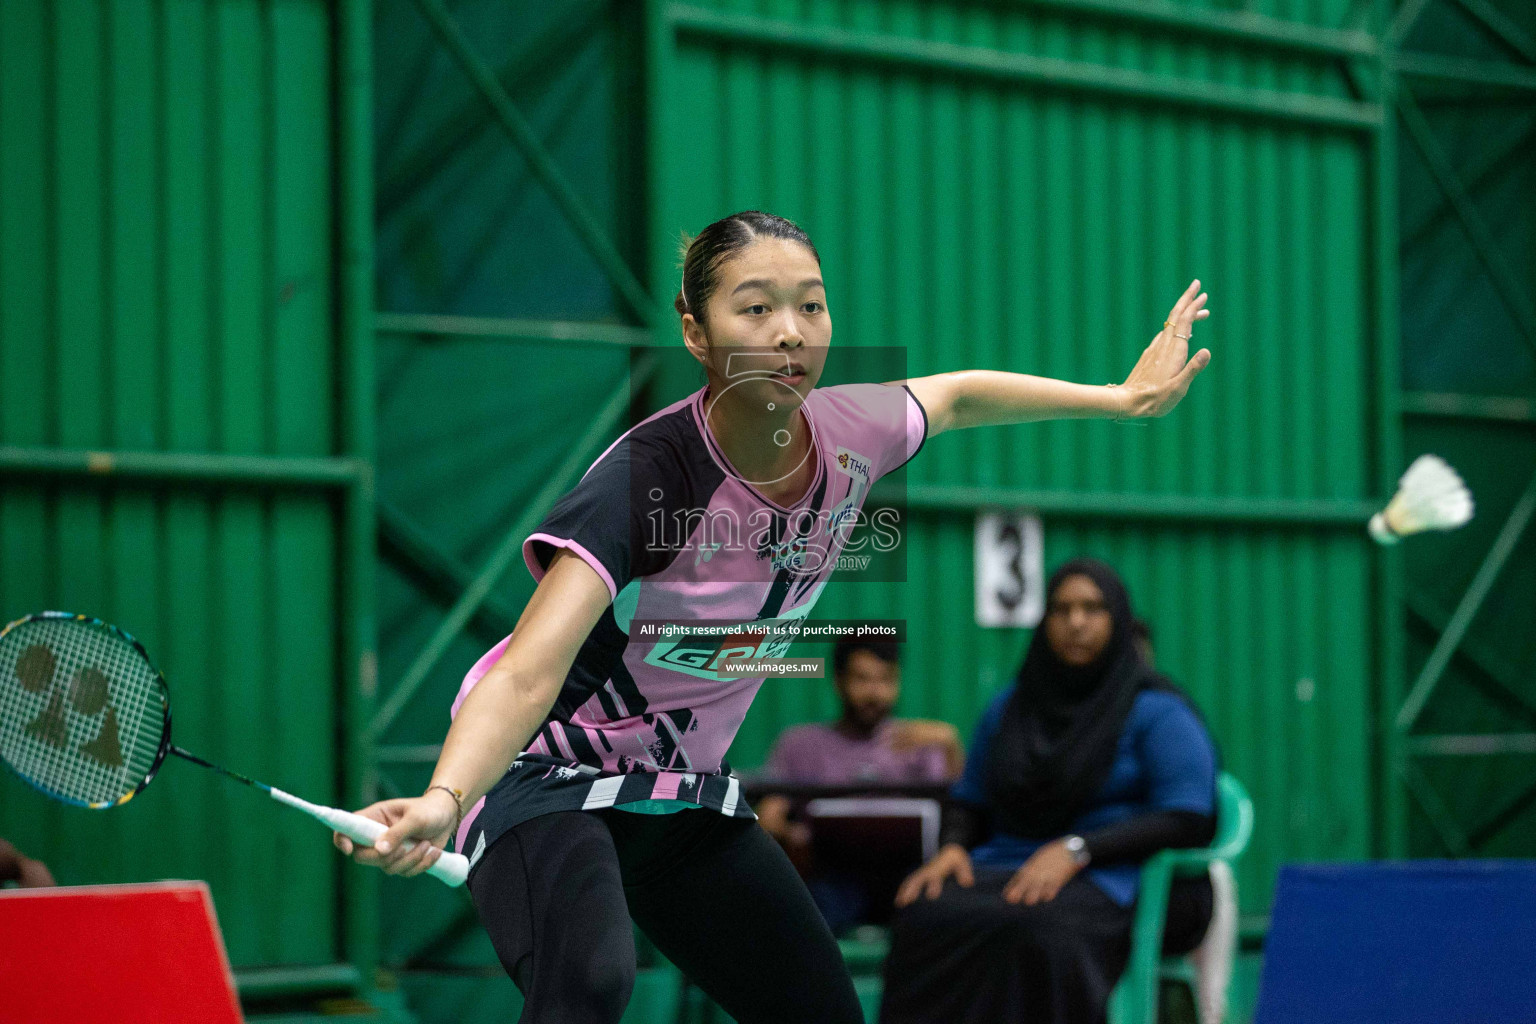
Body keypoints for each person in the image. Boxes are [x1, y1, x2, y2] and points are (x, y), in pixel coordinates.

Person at [332, 211, 1212, 1024]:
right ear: (697, 334)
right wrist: (449, 797)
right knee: (589, 982)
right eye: (754, 309)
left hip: (676, 791)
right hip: (542, 772)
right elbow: (528, 669)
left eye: (812, 307)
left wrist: (1118, 398)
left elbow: (957, 396)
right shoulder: (650, 477)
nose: (791, 332)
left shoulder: (851, 431)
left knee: (820, 1010)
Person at [880, 559, 1219, 1024]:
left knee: (1040, 926)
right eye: (1061, 609)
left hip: (1118, 873)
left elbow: (1188, 816)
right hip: (1010, 862)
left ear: (1117, 620)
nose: (1075, 622)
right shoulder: (1011, 708)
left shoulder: (1156, 711)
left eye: (1092, 608)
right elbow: (970, 797)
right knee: (925, 912)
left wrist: (1079, 849)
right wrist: (952, 848)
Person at [756, 638, 962, 933]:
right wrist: (791, 836)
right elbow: (769, 819)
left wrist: (951, 745)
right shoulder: (800, 745)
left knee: (943, 912)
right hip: (829, 882)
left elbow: (960, 812)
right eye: (862, 679)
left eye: (886, 679)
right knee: (792, 918)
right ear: (839, 680)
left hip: (907, 878)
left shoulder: (922, 743)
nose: (874, 693)